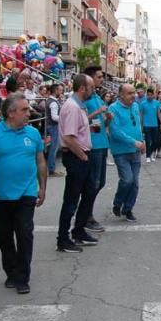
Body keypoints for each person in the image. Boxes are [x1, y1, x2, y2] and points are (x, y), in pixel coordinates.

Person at [0, 93, 46, 294]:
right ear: (10, 113)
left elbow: (40, 161)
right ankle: (11, 271)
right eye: (24, 110)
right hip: (2, 195)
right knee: (5, 236)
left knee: (25, 234)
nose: (29, 113)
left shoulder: (33, 133)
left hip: (26, 192)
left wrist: (42, 187)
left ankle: (22, 277)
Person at [56, 74, 99, 252]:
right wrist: (82, 156)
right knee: (72, 199)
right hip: (76, 157)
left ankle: (79, 230)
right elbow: (68, 136)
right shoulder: (73, 107)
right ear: (82, 88)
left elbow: (77, 130)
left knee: (89, 193)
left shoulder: (79, 106)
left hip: (82, 155)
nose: (93, 90)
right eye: (91, 87)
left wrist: (88, 129)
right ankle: (63, 238)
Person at [108, 83, 145, 222]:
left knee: (134, 182)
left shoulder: (135, 106)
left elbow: (137, 126)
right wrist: (134, 142)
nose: (133, 95)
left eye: (134, 92)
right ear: (121, 95)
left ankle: (128, 208)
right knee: (127, 180)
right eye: (130, 93)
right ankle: (118, 203)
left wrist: (142, 141)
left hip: (135, 150)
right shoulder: (113, 108)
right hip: (121, 151)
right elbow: (115, 131)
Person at [80, 66, 110, 234]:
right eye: (99, 76)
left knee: (100, 182)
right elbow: (80, 120)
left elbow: (100, 123)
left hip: (102, 143)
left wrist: (108, 119)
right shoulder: (84, 99)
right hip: (92, 146)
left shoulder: (97, 97)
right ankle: (86, 216)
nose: (101, 79)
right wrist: (98, 112)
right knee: (93, 183)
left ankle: (86, 212)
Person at [42, 83, 62, 176]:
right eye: (59, 90)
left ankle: (52, 168)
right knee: (53, 149)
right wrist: (63, 118)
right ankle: (51, 169)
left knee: (53, 148)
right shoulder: (53, 102)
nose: (60, 92)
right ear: (55, 91)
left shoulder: (51, 101)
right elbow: (54, 117)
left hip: (52, 126)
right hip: (53, 126)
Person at [139, 86, 161, 163]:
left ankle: (151, 153)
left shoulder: (156, 103)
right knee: (148, 141)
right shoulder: (142, 103)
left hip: (155, 125)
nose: (149, 96)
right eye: (148, 95)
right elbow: (141, 115)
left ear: (153, 95)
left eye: (150, 95)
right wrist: (141, 126)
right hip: (146, 126)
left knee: (156, 141)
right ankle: (148, 156)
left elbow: (158, 113)